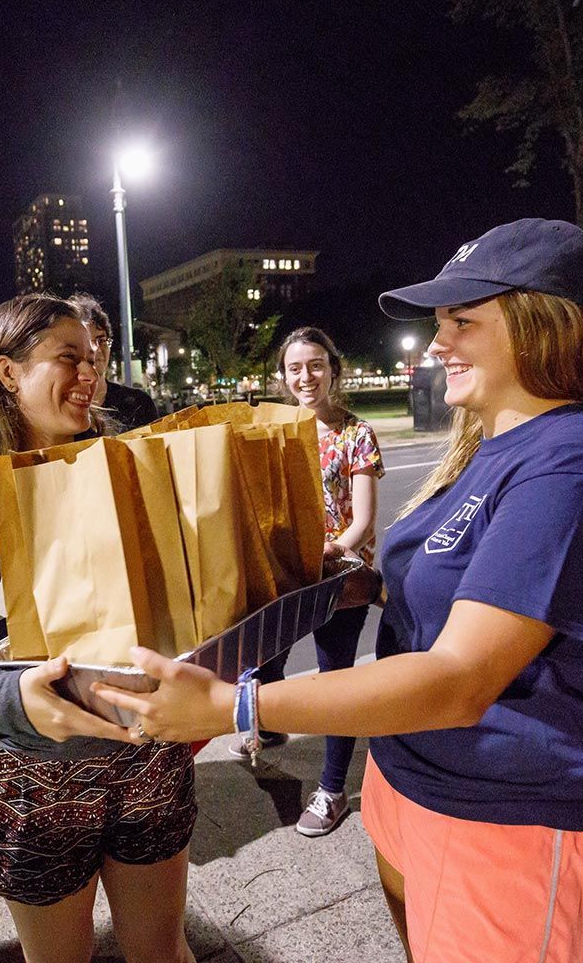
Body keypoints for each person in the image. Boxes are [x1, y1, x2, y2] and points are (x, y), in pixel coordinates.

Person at [94, 219, 583, 963]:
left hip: (508, 815)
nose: (437, 344)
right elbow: (445, 590)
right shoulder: (489, 447)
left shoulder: (571, 458)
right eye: (440, 321)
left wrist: (233, 706)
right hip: (411, 781)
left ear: (543, 327)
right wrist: (350, 585)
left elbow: (461, 679)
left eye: (462, 320)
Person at [0, 295, 197, 963]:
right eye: (67, 358)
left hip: (146, 755)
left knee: (161, 949)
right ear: (8, 373)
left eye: (96, 358)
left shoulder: (123, 462)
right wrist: (10, 698)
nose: (90, 374)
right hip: (29, 780)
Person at [234, 327, 383, 841]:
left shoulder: (354, 433)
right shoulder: (274, 430)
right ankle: (272, 724)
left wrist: (332, 549)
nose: (306, 377)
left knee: (335, 678)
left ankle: (334, 788)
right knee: (265, 655)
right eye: (295, 368)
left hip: (338, 579)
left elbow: (362, 520)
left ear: (333, 370)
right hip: (287, 575)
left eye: (316, 365)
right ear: (283, 376)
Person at [67, 293, 159, 431]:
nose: (96, 349)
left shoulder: (139, 403)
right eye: (86, 341)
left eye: (101, 340)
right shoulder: (63, 411)